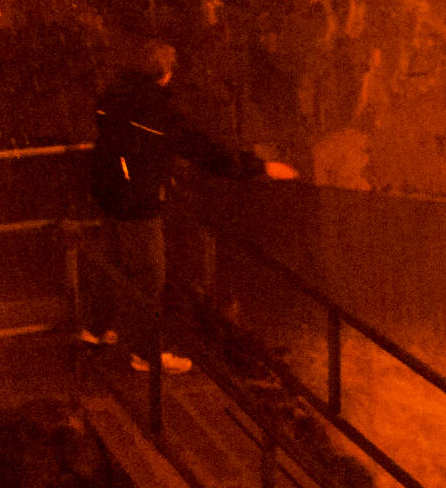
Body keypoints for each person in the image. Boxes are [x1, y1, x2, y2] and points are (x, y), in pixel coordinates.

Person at [87, 38, 294, 360]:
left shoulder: (115, 95)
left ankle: (97, 328)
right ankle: (146, 353)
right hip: (136, 197)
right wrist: (260, 166)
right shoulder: (156, 110)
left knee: (112, 259)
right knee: (149, 272)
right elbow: (203, 149)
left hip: (109, 188)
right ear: (165, 73)